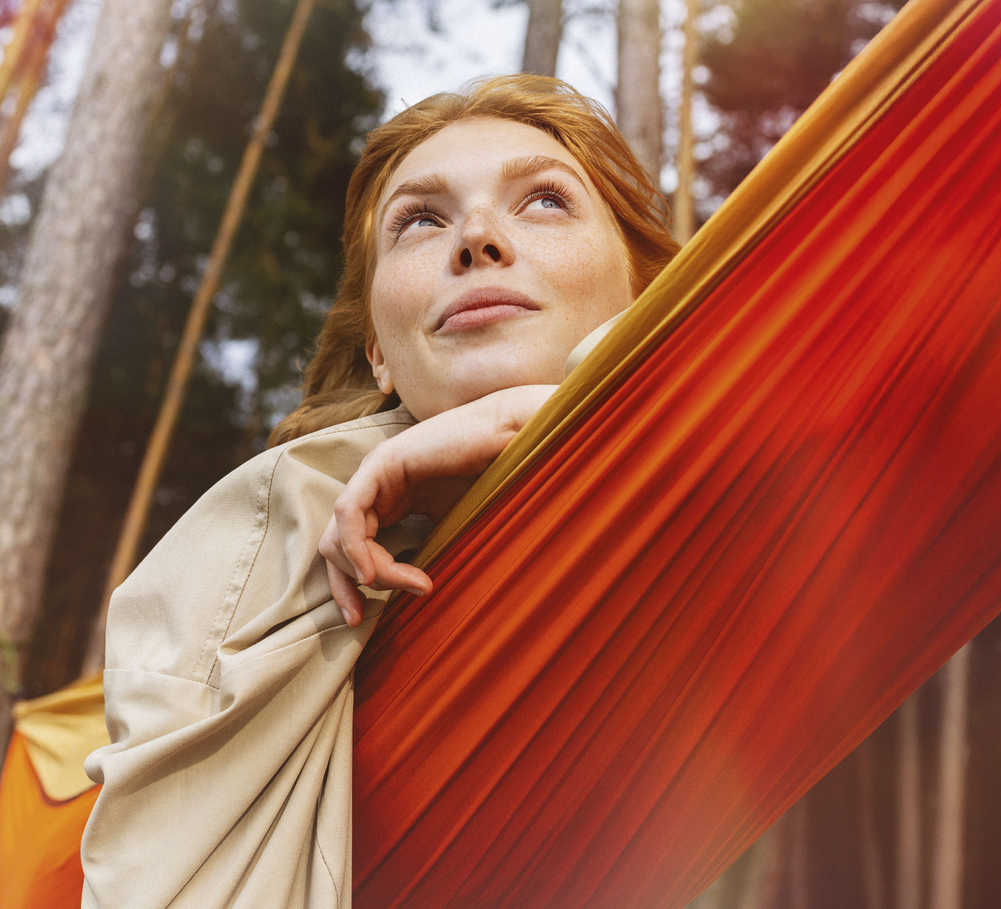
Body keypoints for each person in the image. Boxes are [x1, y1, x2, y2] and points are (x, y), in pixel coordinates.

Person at [80, 73, 679, 907]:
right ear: (379, 357)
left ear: (643, 290)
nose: (476, 238)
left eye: (543, 201)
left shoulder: (757, 431)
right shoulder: (268, 553)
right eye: (420, 221)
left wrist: (535, 423)